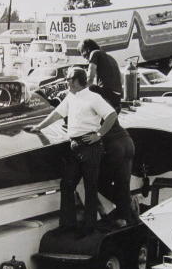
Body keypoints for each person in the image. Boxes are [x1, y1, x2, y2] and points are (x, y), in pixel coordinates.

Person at [26, 67, 117, 236]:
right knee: (67, 184)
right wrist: (39, 127)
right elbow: (57, 114)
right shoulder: (71, 97)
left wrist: (98, 135)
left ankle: (89, 228)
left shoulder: (93, 97)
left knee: (90, 187)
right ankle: (68, 225)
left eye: (68, 79)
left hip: (90, 146)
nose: (66, 82)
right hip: (74, 145)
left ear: (75, 81)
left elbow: (111, 115)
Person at [78, 39, 123, 113]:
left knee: (87, 89)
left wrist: (79, 92)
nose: (83, 56)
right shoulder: (110, 57)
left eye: (82, 52)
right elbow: (121, 80)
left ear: (87, 49)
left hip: (107, 97)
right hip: (117, 100)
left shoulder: (94, 53)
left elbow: (90, 78)